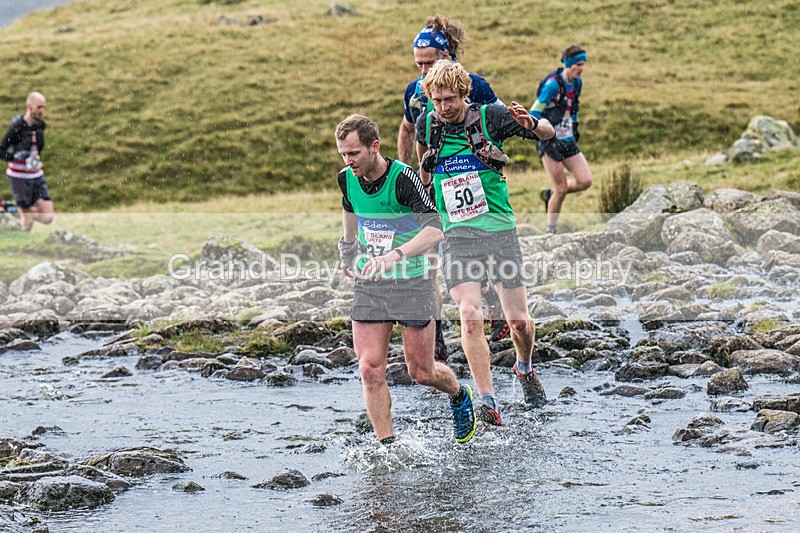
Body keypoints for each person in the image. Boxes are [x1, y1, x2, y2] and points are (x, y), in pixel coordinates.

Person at [416, 60, 555, 425]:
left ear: (464, 93)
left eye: (449, 99)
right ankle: (488, 401)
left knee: (519, 322)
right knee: (469, 315)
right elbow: (425, 175)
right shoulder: (427, 125)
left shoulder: (490, 117)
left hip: (500, 232)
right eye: (436, 100)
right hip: (457, 236)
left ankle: (524, 366)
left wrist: (533, 124)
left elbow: (548, 133)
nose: (443, 107)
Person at [335, 114, 477, 445]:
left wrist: (395, 255)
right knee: (370, 369)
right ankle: (388, 446)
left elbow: (435, 229)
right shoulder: (346, 178)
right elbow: (350, 208)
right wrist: (347, 249)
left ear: (374, 147)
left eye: (354, 153)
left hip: (412, 282)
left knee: (421, 372)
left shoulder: (403, 178)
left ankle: (459, 393)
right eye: (343, 154)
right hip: (371, 282)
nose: (348, 161)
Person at [397, 14, 508, 356]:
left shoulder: (475, 86)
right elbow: (407, 129)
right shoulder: (415, 92)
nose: (423, 70)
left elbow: (502, 123)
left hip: (476, 186)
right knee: (431, 260)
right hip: (433, 187)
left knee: (479, 253)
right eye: (418, 63)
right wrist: (406, 176)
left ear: (446, 55)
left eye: (428, 62)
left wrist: (489, 163)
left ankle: (496, 309)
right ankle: (438, 339)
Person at [529, 45, 592, 235]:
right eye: (578, 65)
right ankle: (551, 231)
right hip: (549, 142)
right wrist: (545, 136)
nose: (581, 69)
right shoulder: (552, 85)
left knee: (585, 181)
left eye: (583, 64)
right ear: (569, 64)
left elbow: (574, 106)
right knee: (562, 188)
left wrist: (575, 126)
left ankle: (551, 195)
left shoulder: (577, 83)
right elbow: (534, 112)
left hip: (568, 140)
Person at [1, 92, 54, 232]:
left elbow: (37, 149)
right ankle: (19, 218)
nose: (42, 111)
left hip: (37, 175)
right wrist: (14, 157)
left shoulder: (40, 126)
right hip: (19, 177)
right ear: (29, 107)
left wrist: (34, 158)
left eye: (44, 107)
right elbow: (1, 150)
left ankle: (13, 210)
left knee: (47, 217)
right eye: (39, 107)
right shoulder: (17, 127)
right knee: (27, 224)